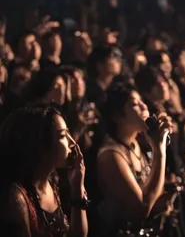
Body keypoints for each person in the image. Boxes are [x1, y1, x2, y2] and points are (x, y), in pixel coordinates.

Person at [93, 83, 174, 234]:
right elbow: (141, 209)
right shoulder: (111, 155)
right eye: (135, 104)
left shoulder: (134, 143)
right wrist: (159, 151)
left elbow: (152, 190)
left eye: (142, 101)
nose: (144, 107)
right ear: (117, 117)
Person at [0, 105, 89, 237]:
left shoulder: (52, 181)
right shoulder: (17, 198)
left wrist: (78, 188)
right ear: (39, 143)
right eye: (63, 135)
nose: (72, 143)